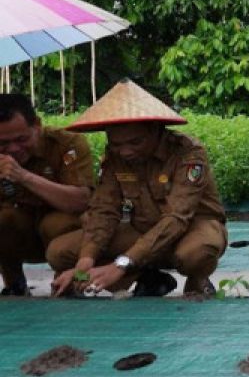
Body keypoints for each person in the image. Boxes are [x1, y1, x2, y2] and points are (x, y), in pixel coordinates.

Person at [46, 80, 227, 298]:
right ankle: (147, 276)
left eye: (135, 142)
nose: (125, 152)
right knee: (60, 252)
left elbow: (177, 218)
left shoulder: (188, 153)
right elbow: (104, 211)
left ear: (155, 130)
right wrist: (85, 261)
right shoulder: (114, 157)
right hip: (141, 230)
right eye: (117, 144)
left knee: (195, 254)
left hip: (190, 229)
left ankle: (197, 279)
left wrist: (121, 264)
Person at [0, 94, 93, 296]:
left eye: (22, 139)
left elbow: (82, 200)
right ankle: (14, 285)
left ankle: (68, 282)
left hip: (65, 239)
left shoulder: (68, 144)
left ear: (38, 125)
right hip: (20, 237)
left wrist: (24, 176)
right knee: (4, 218)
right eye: (3, 144)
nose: (14, 149)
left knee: (56, 222)